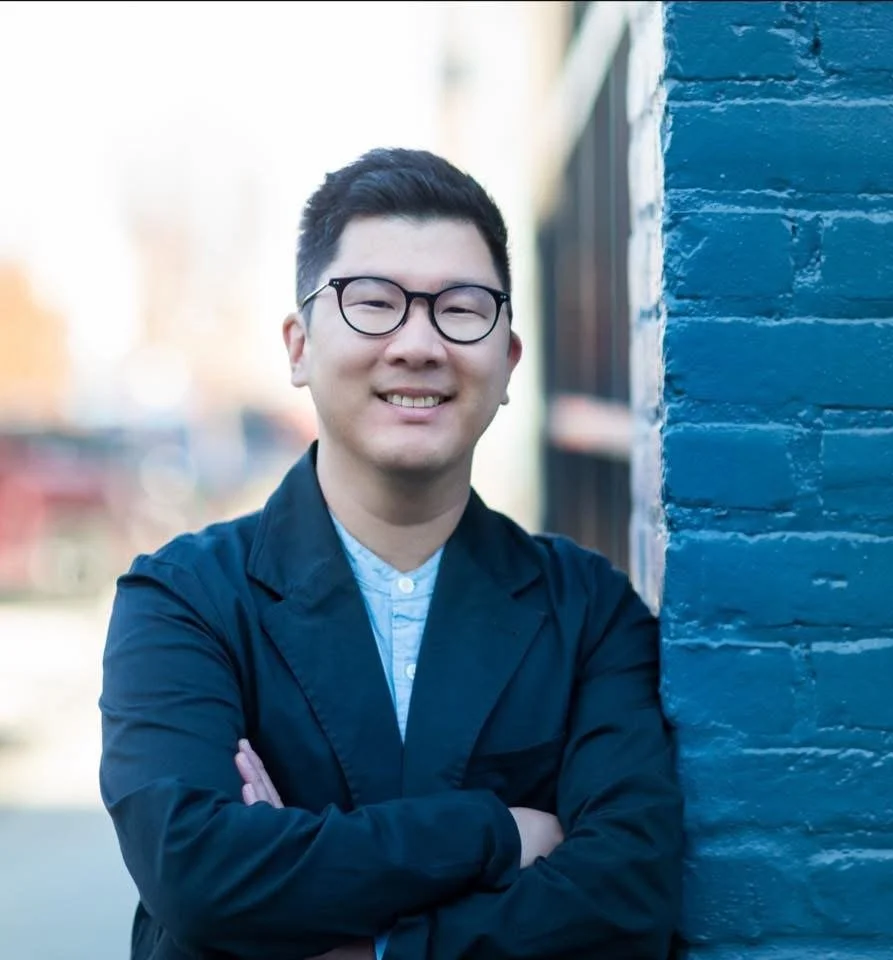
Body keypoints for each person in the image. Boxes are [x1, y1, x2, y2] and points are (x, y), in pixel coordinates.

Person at [99, 147, 683, 960]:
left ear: (508, 360)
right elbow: (196, 876)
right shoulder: (185, 600)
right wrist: (500, 832)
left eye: (462, 307)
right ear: (299, 347)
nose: (417, 343)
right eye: (373, 303)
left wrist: (355, 940)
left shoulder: (589, 612)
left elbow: (626, 899)